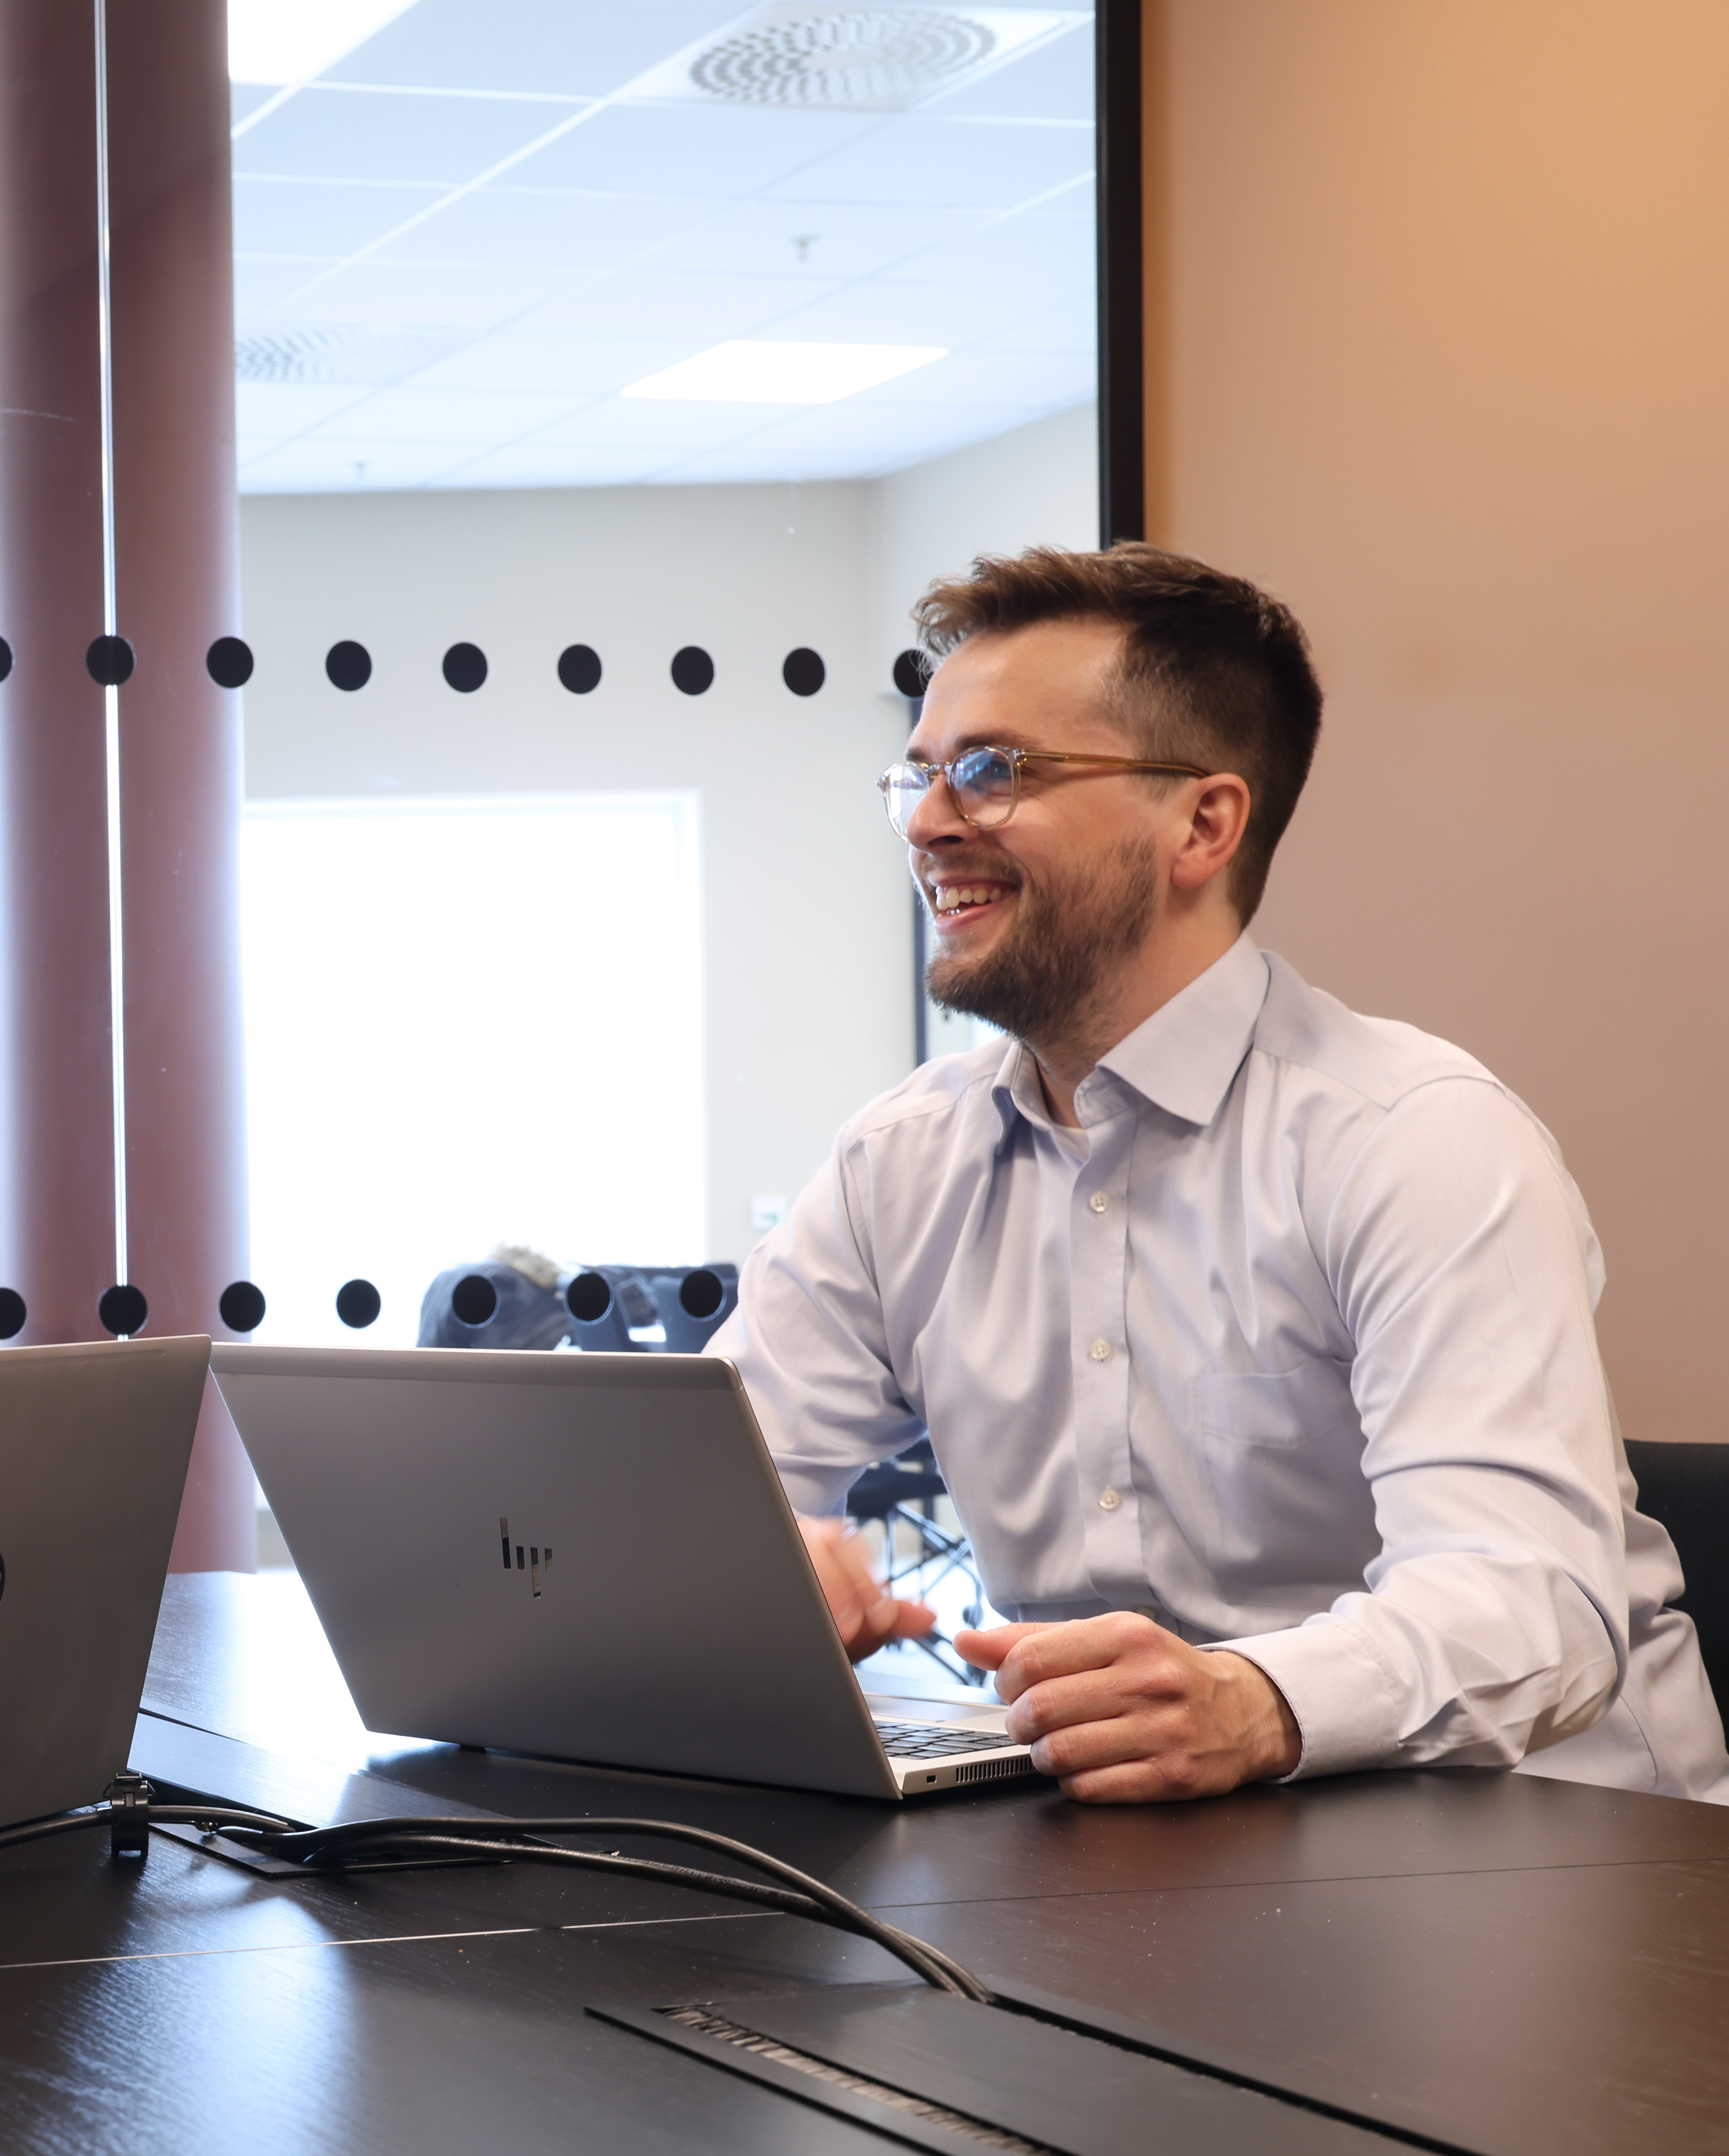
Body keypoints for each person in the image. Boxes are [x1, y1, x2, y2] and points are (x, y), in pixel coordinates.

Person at [721, 543, 1726, 1807]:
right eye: (917, 774)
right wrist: (756, 1566)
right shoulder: (897, 1164)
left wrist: (1252, 1701)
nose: (928, 821)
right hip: (1148, 1860)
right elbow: (713, 1481)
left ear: (1203, 822)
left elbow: (1530, 1606)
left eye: (992, 770)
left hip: (1549, 1865)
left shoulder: (1414, 1139)